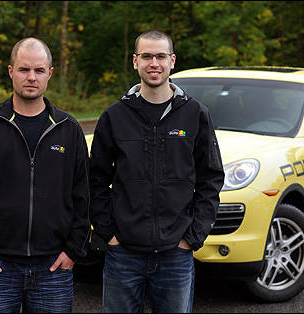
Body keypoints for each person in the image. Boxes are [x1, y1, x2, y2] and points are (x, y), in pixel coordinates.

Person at [0, 37, 90, 313]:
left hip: (53, 271)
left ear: (50, 74)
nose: (31, 77)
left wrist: (74, 250)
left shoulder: (68, 129)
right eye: (24, 70)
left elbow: (83, 196)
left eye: (39, 71)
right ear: (11, 71)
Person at [89, 30, 225, 313]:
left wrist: (192, 238)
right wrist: (109, 234)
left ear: (172, 61)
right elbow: (95, 180)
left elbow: (210, 179)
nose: (154, 63)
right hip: (123, 253)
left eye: (161, 56)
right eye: (147, 56)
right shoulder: (114, 116)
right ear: (135, 61)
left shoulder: (195, 114)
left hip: (176, 253)